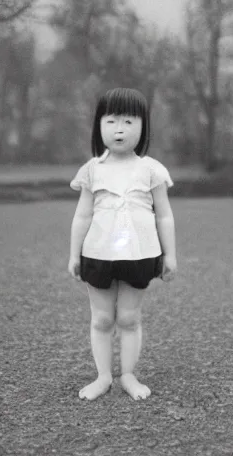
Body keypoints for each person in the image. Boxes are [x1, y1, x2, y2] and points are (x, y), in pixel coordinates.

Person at [68, 87, 177, 401]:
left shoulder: (152, 170)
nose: (119, 128)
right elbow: (82, 215)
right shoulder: (92, 170)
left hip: (140, 255)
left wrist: (170, 254)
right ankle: (103, 377)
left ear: (143, 127)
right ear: (98, 125)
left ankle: (128, 374)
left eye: (129, 121)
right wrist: (73, 254)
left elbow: (165, 216)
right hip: (97, 254)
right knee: (102, 319)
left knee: (129, 318)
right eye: (111, 120)